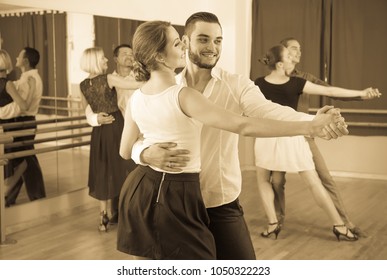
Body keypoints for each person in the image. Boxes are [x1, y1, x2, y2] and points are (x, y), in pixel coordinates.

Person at [129, 12, 348, 260]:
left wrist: (314, 122)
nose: (212, 48)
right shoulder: (166, 87)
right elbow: (135, 139)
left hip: (219, 201)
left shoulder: (235, 84)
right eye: (203, 39)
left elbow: (268, 112)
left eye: (218, 40)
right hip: (173, 204)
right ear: (185, 41)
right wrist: (145, 153)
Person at [253, 44, 380, 241]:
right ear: (279, 64)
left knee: (263, 179)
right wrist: (361, 93)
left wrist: (361, 93)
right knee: (312, 182)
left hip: (267, 134)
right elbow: (332, 91)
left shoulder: (259, 83)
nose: (293, 57)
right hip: (292, 133)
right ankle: (339, 225)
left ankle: (272, 223)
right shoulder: (295, 83)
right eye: (288, 54)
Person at [276, 37, 369, 236]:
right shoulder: (271, 78)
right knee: (276, 181)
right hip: (277, 135)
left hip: (303, 135)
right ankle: (276, 222)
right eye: (294, 48)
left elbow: (330, 91)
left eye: (300, 49)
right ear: (282, 52)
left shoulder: (304, 78)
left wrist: (360, 94)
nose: (299, 52)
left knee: (324, 177)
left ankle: (345, 223)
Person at [79, 47, 141, 232]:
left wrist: (96, 119)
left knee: (103, 169)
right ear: (95, 60)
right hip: (116, 126)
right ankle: (130, 213)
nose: (106, 60)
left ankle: (103, 217)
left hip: (99, 132)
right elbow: (136, 85)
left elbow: (85, 110)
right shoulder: (109, 79)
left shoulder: (82, 85)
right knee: (128, 166)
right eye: (103, 58)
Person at [0, 47, 46, 207]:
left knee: (25, 159)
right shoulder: (26, 78)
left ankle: (36, 196)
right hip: (21, 121)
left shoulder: (28, 80)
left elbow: (20, 107)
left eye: (19, 56)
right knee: (22, 159)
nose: (16, 58)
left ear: (25, 60)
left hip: (23, 121)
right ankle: (10, 196)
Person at [0, 49, 28, 195]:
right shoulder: (7, 84)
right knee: (20, 164)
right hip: (8, 127)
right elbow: (23, 106)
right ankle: (4, 194)